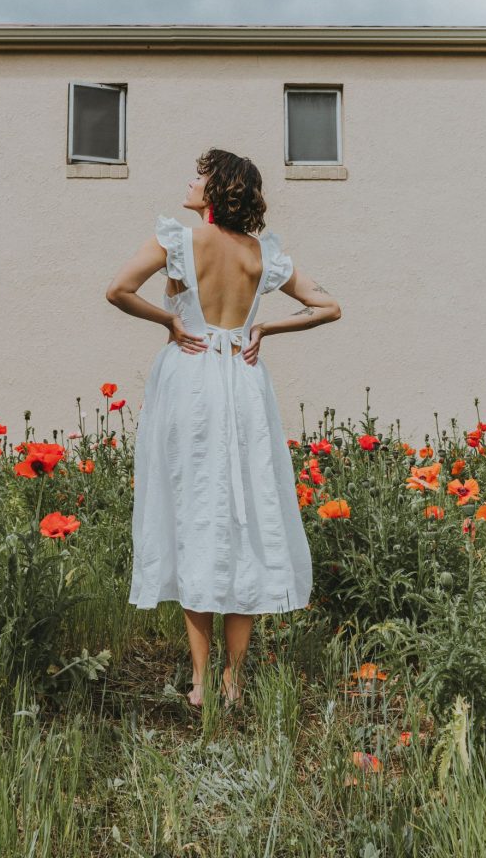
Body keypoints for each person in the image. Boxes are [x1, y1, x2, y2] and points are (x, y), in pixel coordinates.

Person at [106, 148, 342, 709]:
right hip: (241, 382)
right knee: (246, 517)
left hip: (190, 384)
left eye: (200, 176)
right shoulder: (261, 255)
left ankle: (201, 681)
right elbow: (328, 306)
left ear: (217, 191)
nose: (190, 182)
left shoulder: (177, 241)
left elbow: (117, 290)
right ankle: (234, 681)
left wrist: (170, 320)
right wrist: (266, 328)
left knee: (194, 515)